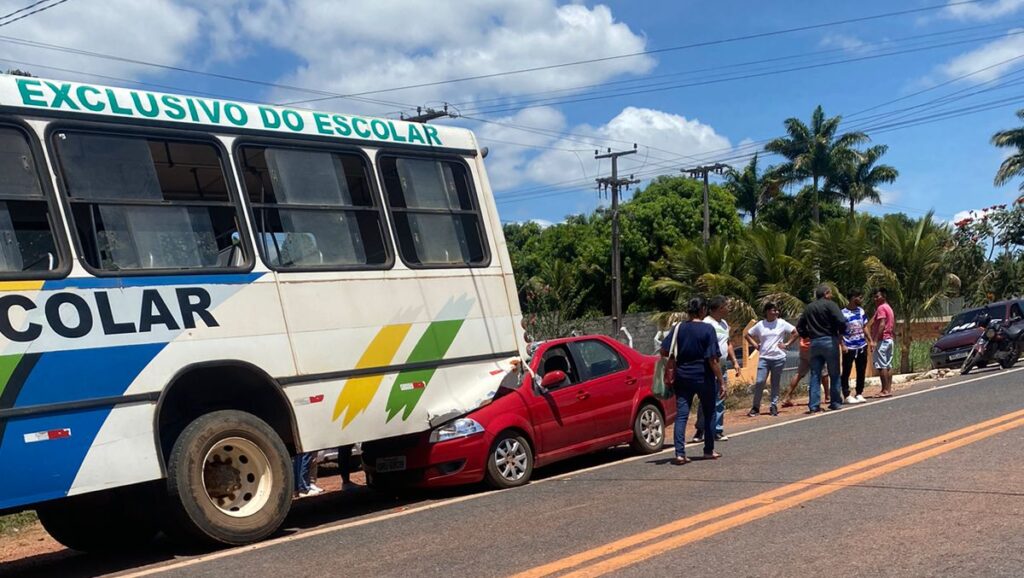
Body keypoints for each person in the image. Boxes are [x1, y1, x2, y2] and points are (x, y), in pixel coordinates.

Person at [660, 297, 724, 464]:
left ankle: (680, 453)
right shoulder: (708, 329)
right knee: (709, 413)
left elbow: (664, 351)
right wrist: (721, 381)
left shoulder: (678, 328)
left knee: (682, 415)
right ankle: (708, 450)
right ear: (702, 309)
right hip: (704, 377)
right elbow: (713, 359)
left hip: (682, 377)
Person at [796, 285, 847, 413]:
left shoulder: (809, 308)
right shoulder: (830, 305)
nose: (831, 296)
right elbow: (841, 320)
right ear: (826, 293)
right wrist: (840, 332)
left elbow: (800, 326)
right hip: (829, 340)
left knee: (815, 375)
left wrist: (806, 335)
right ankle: (835, 402)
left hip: (814, 342)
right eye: (830, 293)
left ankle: (814, 405)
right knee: (834, 373)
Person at [696, 296, 741, 442]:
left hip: (721, 366)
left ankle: (717, 429)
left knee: (721, 398)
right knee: (706, 400)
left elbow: (727, 343)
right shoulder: (706, 323)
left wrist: (734, 361)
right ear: (720, 307)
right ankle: (701, 429)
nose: (729, 309)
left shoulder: (724, 324)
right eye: (727, 306)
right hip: (709, 366)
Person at [745, 302, 799, 416]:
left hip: (778, 358)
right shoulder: (760, 325)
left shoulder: (781, 323)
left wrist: (787, 344)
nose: (776, 312)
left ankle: (773, 405)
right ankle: (755, 406)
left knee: (775, 382)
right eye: (774, 310)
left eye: (777, 310)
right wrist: (755, 345)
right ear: (767, 311)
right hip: (764, 357)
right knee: (760, 382)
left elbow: (795, 332)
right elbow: (748, 334)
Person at [781, 337, 831, 407]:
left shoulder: (803, 325)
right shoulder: (814, 325)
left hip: (803, 349)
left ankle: (786, 397)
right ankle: (827, 397)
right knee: (824, 373)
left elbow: (797, 332)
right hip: (815, 348)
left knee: (799, 374)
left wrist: (788, 343)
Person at [841, 290, 870, 404]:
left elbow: (865, 327)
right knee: (847, 370)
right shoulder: (843, 313)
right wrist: (842, 344)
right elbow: (840, 331)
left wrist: (870, 340)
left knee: (861, 370)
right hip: (849, 346)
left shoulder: (861, 311)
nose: (861, 299)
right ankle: (846, 394)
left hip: (861, 345)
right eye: (859, 297)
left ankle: (859, 393)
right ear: (853, 298)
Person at [868, 287, 896, 397]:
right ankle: (888, 389)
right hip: (889, 339)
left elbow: (882, 324)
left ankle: (884, 390)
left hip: (882, 339)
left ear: (884, 296)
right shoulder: (889, 308)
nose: (875, 299)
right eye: (874, 297)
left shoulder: (881, 308)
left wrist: (874, 340)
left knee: (882, 365)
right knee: (888, 365)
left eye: (877, 296)